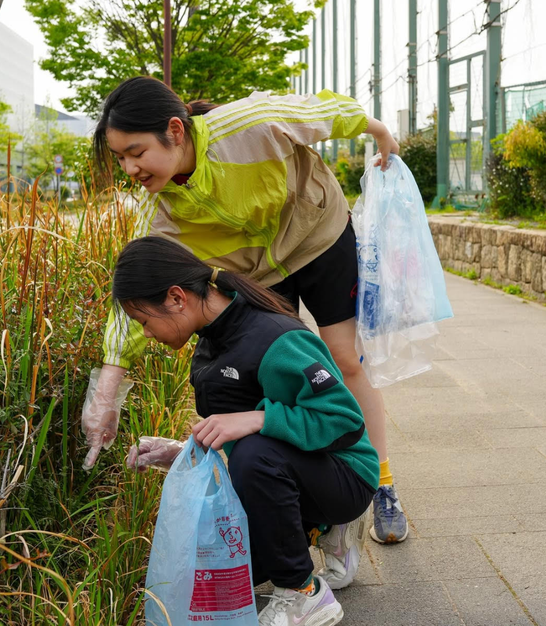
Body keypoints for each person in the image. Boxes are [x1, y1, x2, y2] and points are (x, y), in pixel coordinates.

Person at [81, 76, 410, 544]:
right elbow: (138, 294)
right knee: (278, 375)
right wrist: (106, 391)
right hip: (258, 269)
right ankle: (310, 498)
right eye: (121, 159)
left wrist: (378, 131)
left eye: (136, 152)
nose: (130, 168)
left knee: (341, 359)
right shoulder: (161, 213)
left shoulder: (248, 126)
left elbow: (320, 113)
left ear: (175, 130)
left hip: (317, 234)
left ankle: (379, 484)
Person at [117, 236, 379, 626]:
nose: (147, 333)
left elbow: (344, 422)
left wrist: (258, 419)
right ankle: (317, 529)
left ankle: (304, 593)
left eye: (144, 321)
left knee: (256, 456)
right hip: (290, 468)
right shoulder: (211, 342)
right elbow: (236, 432)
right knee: (217, 576)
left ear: (175, 298)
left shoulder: (276, 339)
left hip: (345, 473)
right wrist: (181, 451)